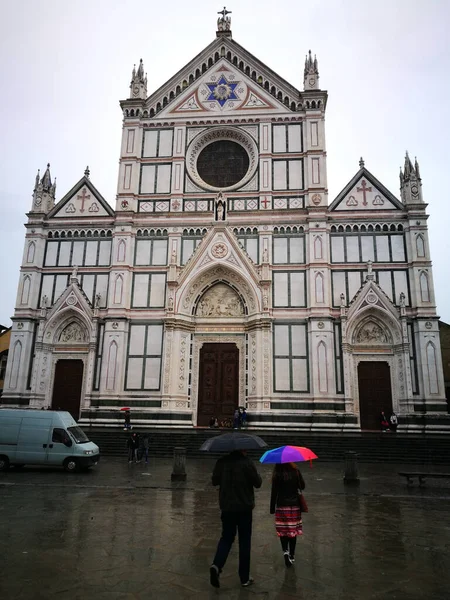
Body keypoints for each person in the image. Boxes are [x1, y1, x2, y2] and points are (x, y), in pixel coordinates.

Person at [210, 450, 262, 589]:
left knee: (226, 538)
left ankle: (216, 565)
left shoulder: (222, 462)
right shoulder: (247, 463)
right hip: (244, 508)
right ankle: (244, 578)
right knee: (245, 541)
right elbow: (258, 483)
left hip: (227, 507)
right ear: (243, 449)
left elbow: (214, 481)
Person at [270, 463, 305, 567]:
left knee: (283, 531)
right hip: (294, 506)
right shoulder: (296, 472)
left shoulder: (277, 474)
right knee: (292, 531)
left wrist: (272, 508)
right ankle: (292, 555)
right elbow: (302, 486)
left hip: (281, 506)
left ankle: (285, 552)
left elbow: (274, 492)